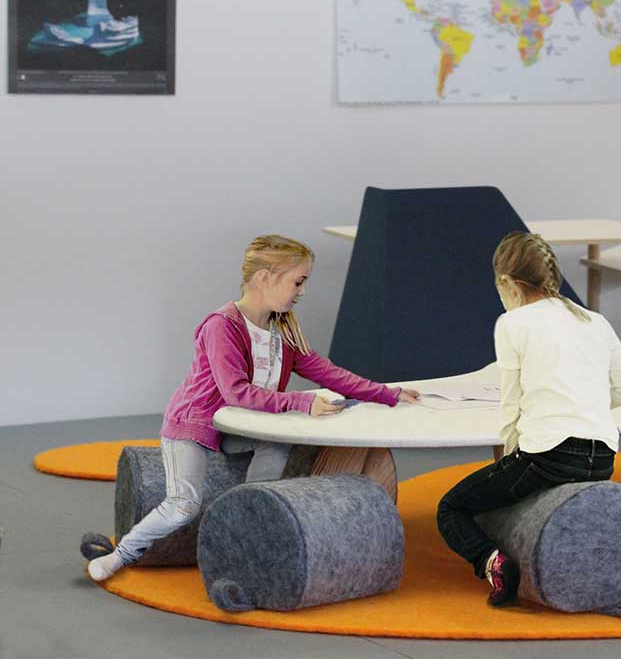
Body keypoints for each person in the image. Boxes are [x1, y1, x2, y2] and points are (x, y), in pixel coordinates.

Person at [86, 234, 419, 582]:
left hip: (237, 427)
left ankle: (249, 514)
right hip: (194, 426)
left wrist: (386, 393)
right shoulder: (222, 326)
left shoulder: (283, 329)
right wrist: (302, 402)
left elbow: (327, 372)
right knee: (183, 505)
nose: (302, 291)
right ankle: (121, 554)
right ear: (265, 278)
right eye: (298, 281)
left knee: (277, 441)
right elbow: (236, 392)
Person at [436, 232, 621, 606]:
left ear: (506, 283)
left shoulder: (512, 323)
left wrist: (508, 459)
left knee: (451, 508)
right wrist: (585, 405)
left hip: (549, 456)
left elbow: (511, 405)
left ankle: (493, 563)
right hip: (603, 457)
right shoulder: (595, 321)